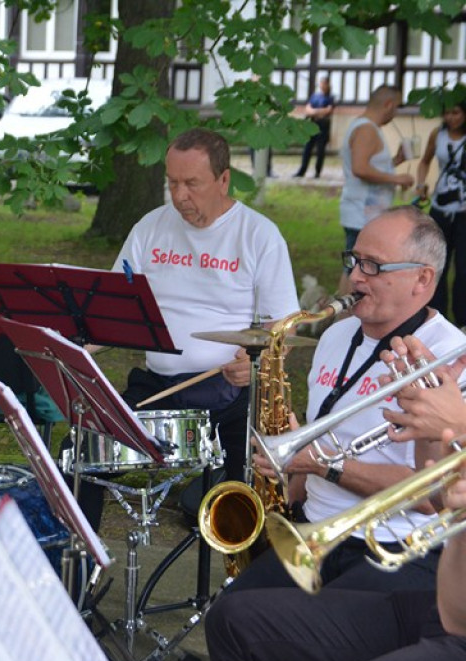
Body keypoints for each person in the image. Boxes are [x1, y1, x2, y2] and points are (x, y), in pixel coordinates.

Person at [203, 206, 463, 607]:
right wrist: (288, 483)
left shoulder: (452, 357)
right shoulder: (336, 336)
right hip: (313, 529)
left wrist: (321, 464)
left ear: (422, 278)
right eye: (354, 260)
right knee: (227, 613)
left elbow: (432, 493)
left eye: (374, 266)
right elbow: (326, 434)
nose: (355, 276)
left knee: (268, 625)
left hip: (391, 546)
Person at [113, 127, 299, 486]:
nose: (179, 196)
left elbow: (285, 325)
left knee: (250, 483)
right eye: (172, 183)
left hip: (227, 393)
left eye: (192, 184)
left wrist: (257, 361)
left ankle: (248, 533)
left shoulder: (258, 235)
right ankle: (79, 542)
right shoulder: (150, 227)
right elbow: (114, 306)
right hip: (156, 386)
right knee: (83, 451)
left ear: (224, 180)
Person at [207, 426, 466, 661]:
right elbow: (451, 614)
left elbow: (424, 502)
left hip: (400, 554)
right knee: (229, 619)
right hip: (431, 605)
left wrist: (322, 464)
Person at [337, 84, 415, 294]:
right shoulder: (366, 129)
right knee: (354, 271)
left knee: (353, 269)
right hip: (360, 213)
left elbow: (371, 167)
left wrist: (396, 161)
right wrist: (397, 178)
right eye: (397, 107)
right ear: (388, 104)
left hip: (365, 212)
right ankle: (342, 321)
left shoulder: (367, 127)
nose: (396, 113)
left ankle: (342, 319)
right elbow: (360, 168)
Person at [416, 100, 466, 323]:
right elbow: (424, 161)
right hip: (440, 209)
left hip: (464, 213)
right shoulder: (438, 134)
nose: (451, 118)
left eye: (455, 112)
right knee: (437, 268)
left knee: (463, 271)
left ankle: (462, 321)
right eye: (446, 113)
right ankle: (437, 320)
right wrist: (420, 183)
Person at [294, 76, 335, 179]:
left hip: (323, 126)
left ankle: (317, 172)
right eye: (321, 83)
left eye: (324, 83)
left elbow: (328, 110)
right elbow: (307, 109)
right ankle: (302, 170)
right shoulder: (315, 96)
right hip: (312, 124)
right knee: (307, 148)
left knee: (320, 150)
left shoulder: (330, 98)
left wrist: (315, 111)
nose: (322, 85)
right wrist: (317, 112)